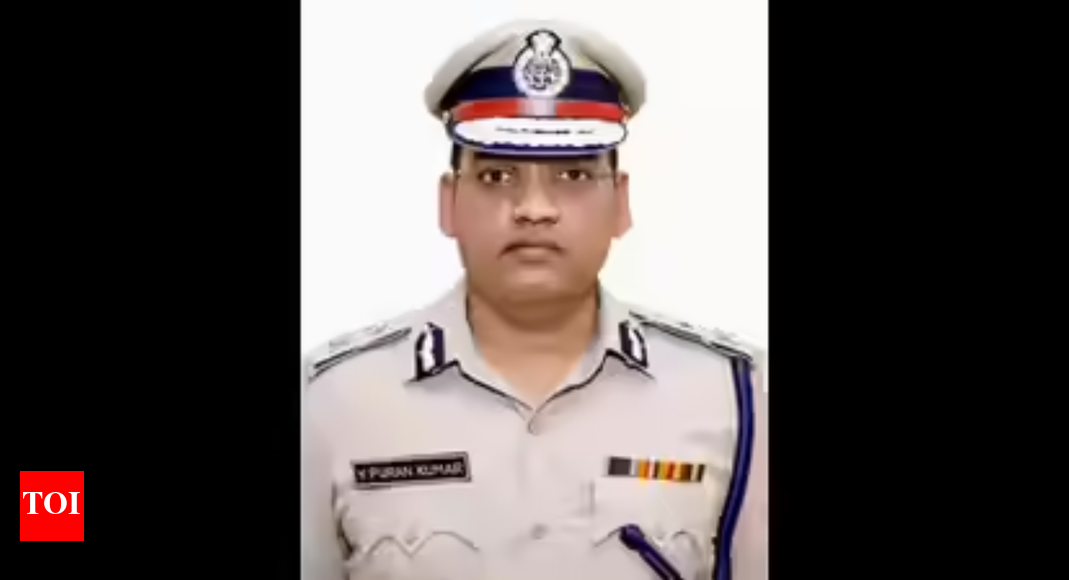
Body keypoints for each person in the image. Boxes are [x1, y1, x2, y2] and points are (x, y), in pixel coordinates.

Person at [301, 18, 767, 580]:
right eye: (497, 177)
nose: (534, 209)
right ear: (448, 203)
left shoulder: (735, 395)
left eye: (573, 174)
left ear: (621, 203)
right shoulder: (331, 403)